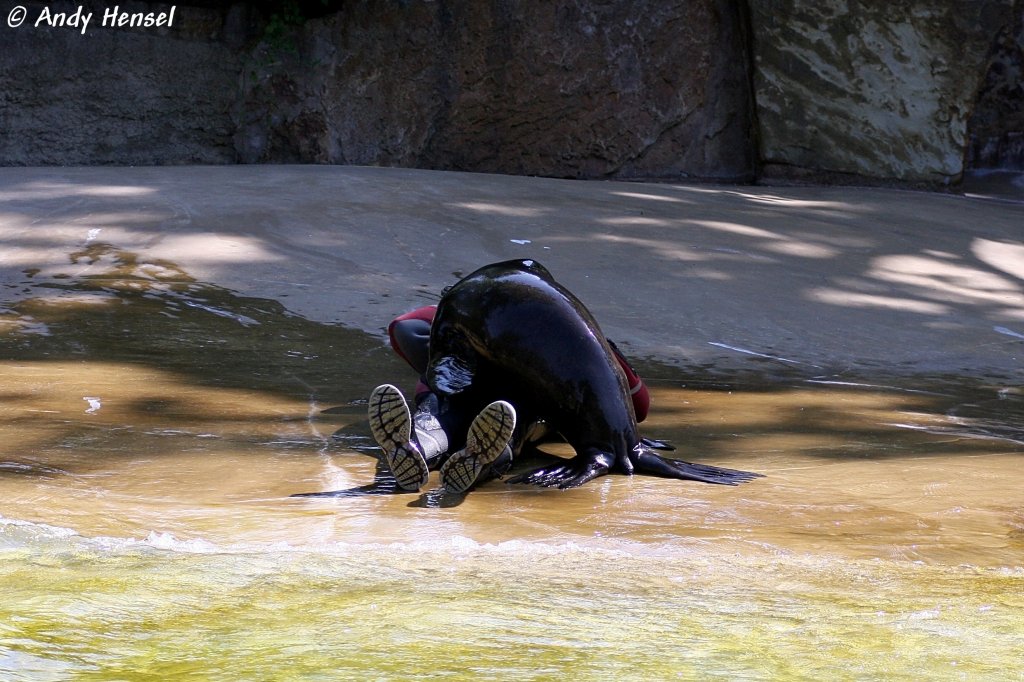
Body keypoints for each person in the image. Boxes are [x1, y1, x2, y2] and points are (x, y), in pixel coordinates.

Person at [368, 305, 650, 494]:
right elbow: (639, 405)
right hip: (470, 393)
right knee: (489, 425)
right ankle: (461, 461)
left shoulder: (578, 340)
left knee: (457, 420)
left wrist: (600, 348)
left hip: (513, 405)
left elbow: (403, 326)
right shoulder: (480, 312)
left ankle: (415, 449)